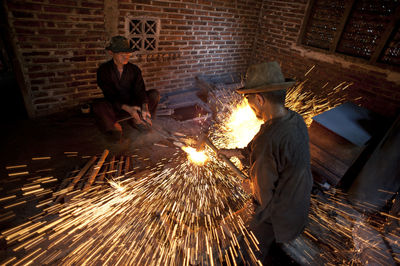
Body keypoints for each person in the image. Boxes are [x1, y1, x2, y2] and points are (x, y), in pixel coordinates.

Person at [219, 62, 313, 264]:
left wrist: (250, 185)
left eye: (250, 101)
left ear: (259, 99)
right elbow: (258, 150)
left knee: (248, 249)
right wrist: (231, 152)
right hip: (300, 205)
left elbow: (263, 195)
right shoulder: (295, 120)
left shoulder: (268, 138)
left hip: (281, 214)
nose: (250, 107)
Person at [93, 36, 159, 139]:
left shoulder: (134, 70)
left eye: (127, 53)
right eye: (121, 54)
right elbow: (109, 95)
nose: (126, 57)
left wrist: (145, 108)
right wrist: (128, 108)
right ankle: (114, 126)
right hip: (116, 105)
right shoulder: (103, 70)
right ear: (111, 53)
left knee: (154, 94)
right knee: (98, 105)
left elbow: (140, 90)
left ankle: (138, 120)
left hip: (133, 103)